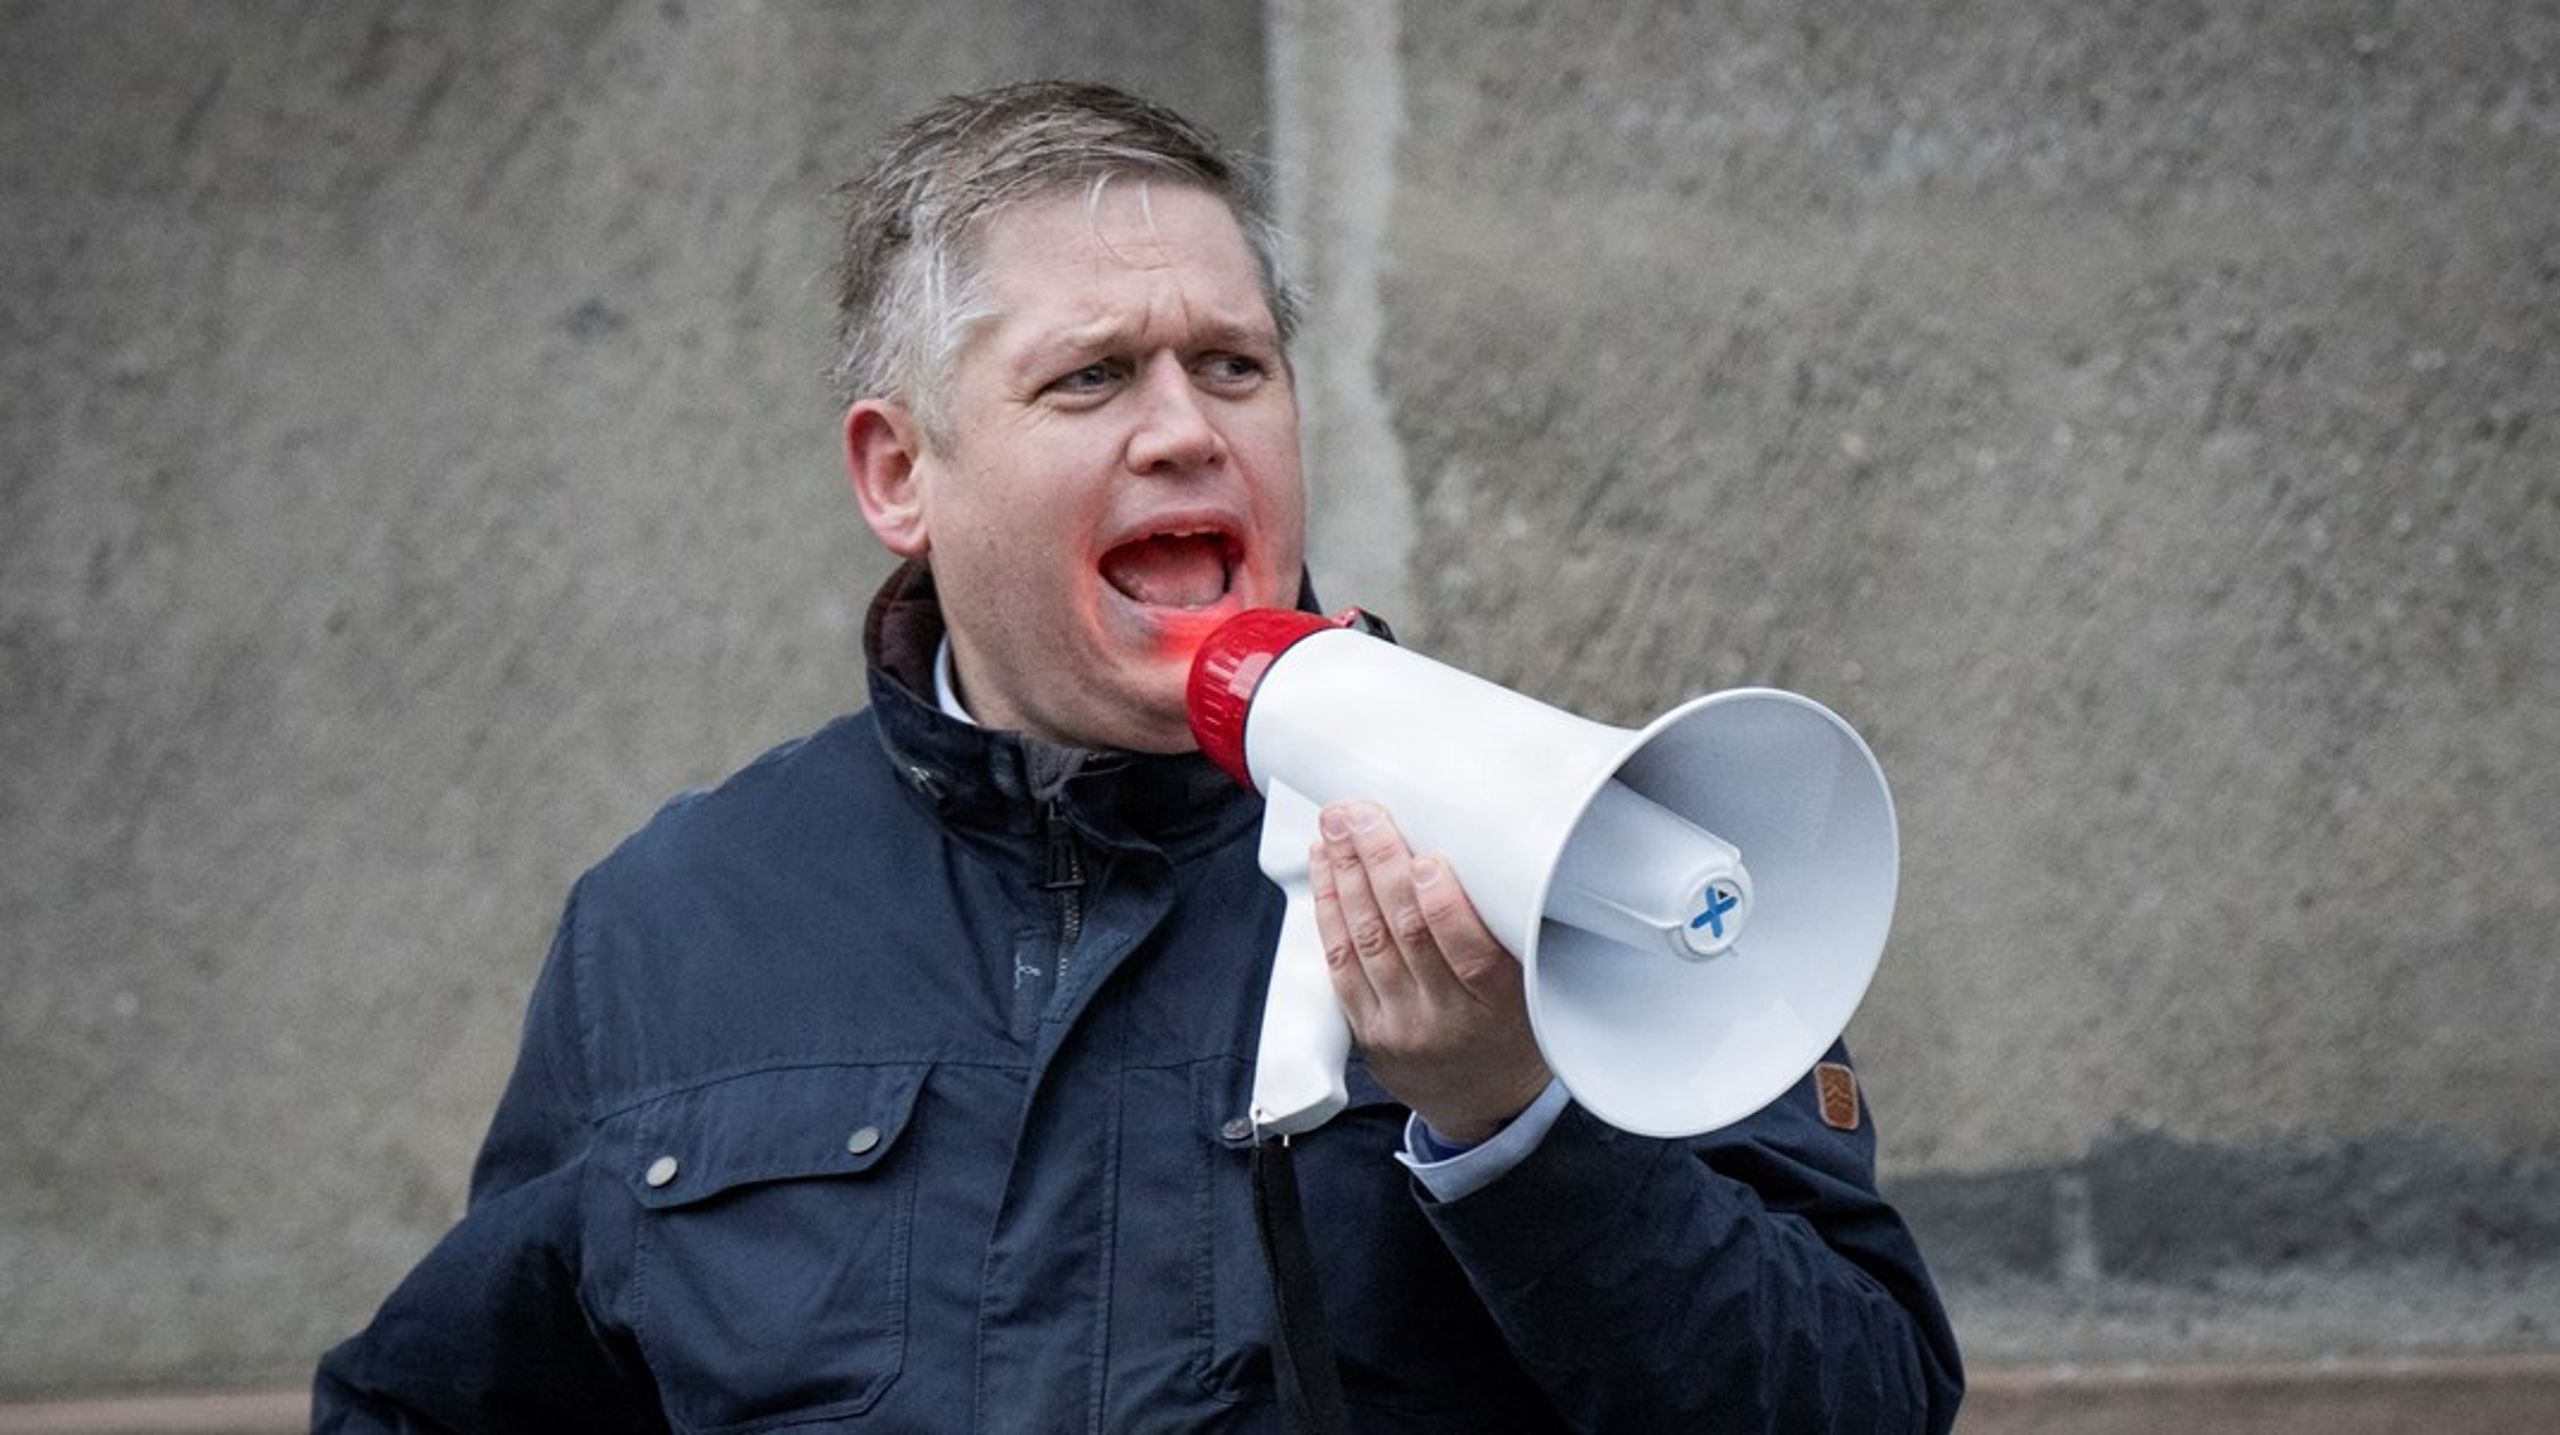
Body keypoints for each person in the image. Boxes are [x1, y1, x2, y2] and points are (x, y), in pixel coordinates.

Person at [313, 80, 1962, 1433]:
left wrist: (1511, 1122)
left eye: (1233, 365)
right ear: (900, 475)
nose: (1186, 429)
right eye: (1092, 376)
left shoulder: (1558, 849)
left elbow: (1862, 1403)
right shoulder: (675, 924)